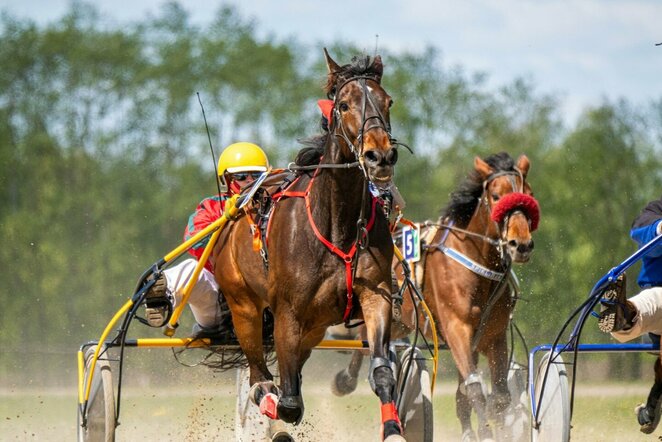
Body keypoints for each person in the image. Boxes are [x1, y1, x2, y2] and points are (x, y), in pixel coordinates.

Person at [144, 141, 269, 338]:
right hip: (220, 302)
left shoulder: (276, 209)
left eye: (256, 175)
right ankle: (159, 298)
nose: (250, 181)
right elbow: (194, 242)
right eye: (241, 176)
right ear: (226, 180)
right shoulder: (212, 206)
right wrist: (226, 220)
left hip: (269, 306)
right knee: (191, 269)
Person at [598, 196, 662, 434]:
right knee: (652, 302)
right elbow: (641, 233)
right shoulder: (656, 210)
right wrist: (660, 228)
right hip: (660, 295)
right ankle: (622, 314)